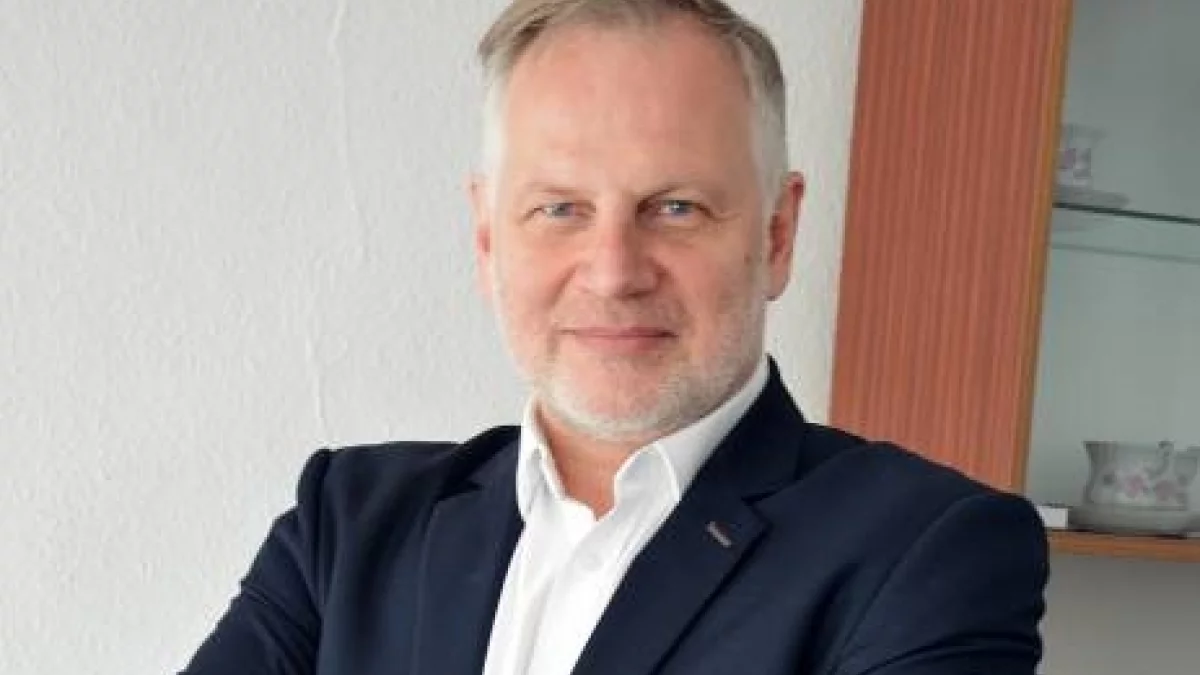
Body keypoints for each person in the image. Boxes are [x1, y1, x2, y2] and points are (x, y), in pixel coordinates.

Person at [181, 1, 1049, 673]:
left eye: (675, 207)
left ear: (777, 234)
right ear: (487, 238)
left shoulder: (929, 551)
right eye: (560, 208)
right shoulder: (346, 526)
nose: (613, 271)